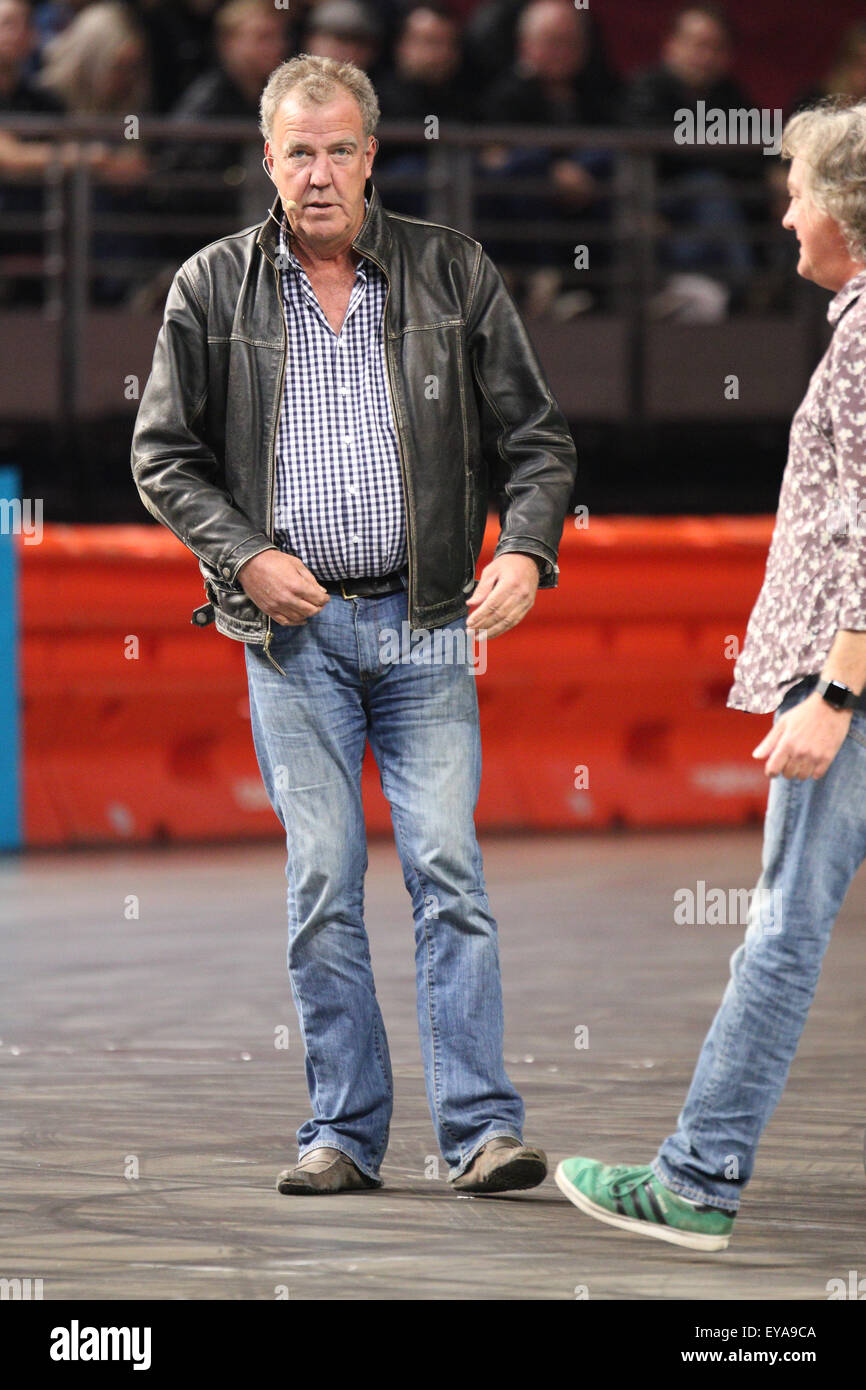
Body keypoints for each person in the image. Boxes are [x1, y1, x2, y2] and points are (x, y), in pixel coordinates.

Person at [131, 54, 577, 1196]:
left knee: (447, 868)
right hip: (293, 639)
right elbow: (161, 454)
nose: (319, 173)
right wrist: (243, 554)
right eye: (297, 151)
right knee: (323, 877)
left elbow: (536, 442)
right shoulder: (209, 286)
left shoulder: (452, 271)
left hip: (426, 623)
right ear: (266, 160)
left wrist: (525, 548)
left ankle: (479, 1132)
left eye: (339, 149)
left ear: (372, 155)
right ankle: (341, 1132)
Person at [557, 98, 866, 1251]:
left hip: (844, 673)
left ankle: (696, 1178)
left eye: (795, 191)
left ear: (842, 207)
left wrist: (832, 696)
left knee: (780, 930)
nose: (782, 213)